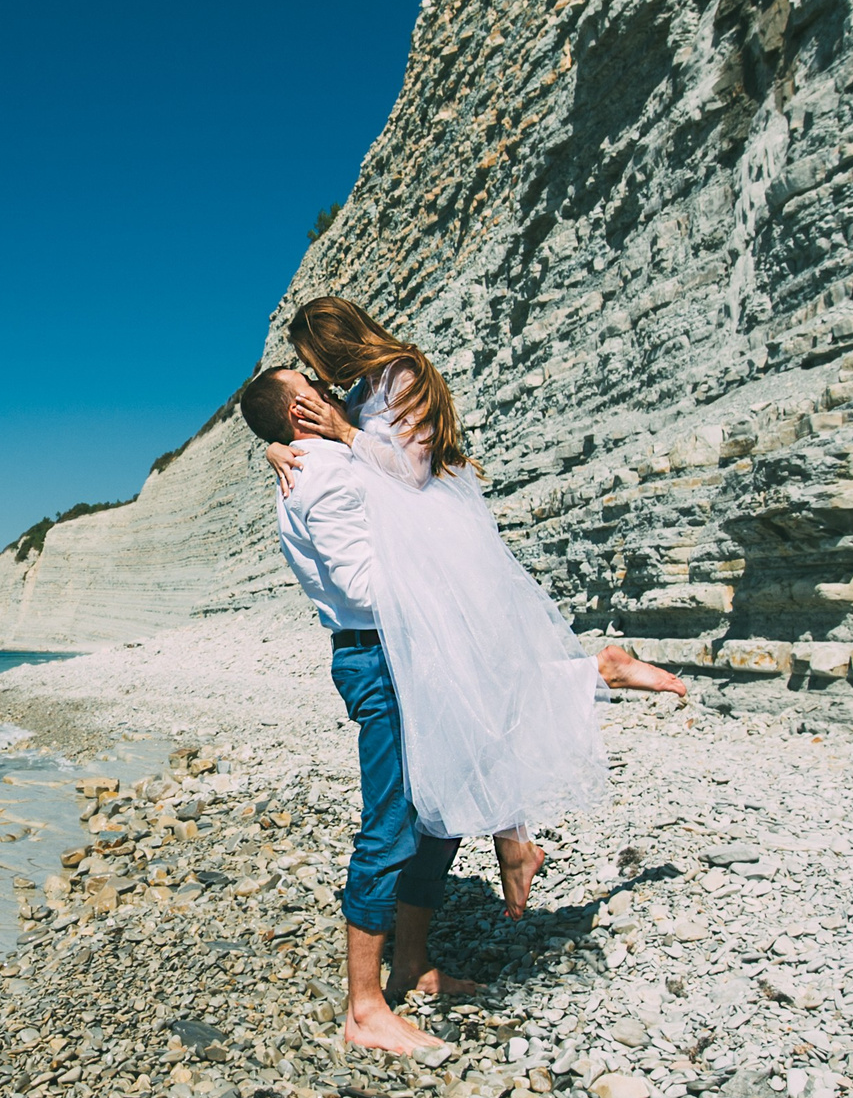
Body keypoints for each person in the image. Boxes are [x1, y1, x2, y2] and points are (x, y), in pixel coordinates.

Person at [266, 297, 688, 918]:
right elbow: (315, 442)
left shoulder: (404, 376)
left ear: (335, 346)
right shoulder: (357, 394)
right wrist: (277, 447)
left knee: (479, 693)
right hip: (414, 556)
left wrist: (346, 434)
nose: (319, 382)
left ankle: (580, 710)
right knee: (476, 698)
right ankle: (525, 818)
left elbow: (412, 472)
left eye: (314, 364)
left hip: (441, 553)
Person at [237, 365, 466, 1058]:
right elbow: (360, 582)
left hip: (400, 647)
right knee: (390, 821)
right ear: (301, 408)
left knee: (438, 810)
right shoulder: (322, 474)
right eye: (309, 383)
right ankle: (364, 1008)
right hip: (379, 652)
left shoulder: (323, 456)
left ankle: (411, 962)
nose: (327, 384)